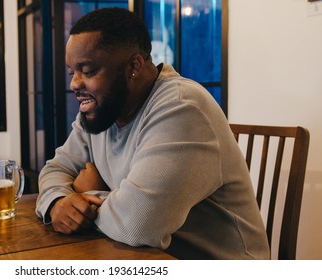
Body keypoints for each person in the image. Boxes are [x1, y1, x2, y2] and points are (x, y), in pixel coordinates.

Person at [35, 7, 270, 259]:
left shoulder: (181, 108)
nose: (74, 84)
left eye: (88, 71)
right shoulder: (102, 110)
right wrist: (57, 202)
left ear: (133, 66)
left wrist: (84, 195)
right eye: (73, 72)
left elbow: (138, 224)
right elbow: (55, 169)